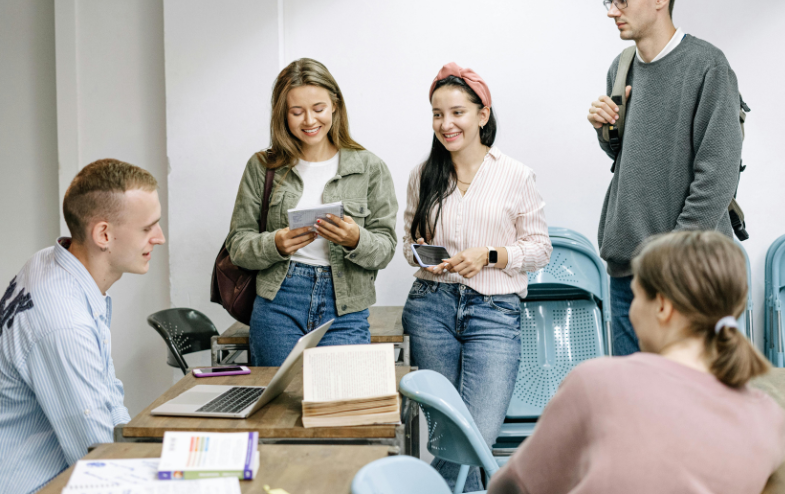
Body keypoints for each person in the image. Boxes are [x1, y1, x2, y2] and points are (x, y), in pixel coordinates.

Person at [487, 231, 785, 494]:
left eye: (635, 297)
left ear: (663, 306)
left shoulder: (597, 383)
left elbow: (515, 487)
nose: (631, 312)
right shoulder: (770, 418)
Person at [0, 159, 165, 494]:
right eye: (147, 228)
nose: (160, 238)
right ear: (104, 234)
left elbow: (106, 400)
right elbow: (100, 462)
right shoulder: (63, 323)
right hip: (23, 486)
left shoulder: (49, 261)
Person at [586, 0, 743, 356]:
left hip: (687, 275)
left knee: (693, 407)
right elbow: (632, 159)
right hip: (627, 273)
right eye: (609, 0)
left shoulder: (708, 66)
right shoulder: (620, 68)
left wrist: (669, 260)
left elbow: (717, 177)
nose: (612, 10)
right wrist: (607, 132)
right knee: (632, 407)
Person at [402, 62, 552, 492]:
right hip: (430, 308)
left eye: (457, 112)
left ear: (482, 115)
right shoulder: (423, 175)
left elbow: (540, 249)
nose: (445, 124)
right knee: (447, 434)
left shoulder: (516, 175)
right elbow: (407, 244)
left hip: (495, 312)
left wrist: (490, 255)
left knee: (474, 436)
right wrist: (423, 257)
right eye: (436, 114)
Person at [226, 57, 398, 366]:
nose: (309, 120)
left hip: (345, 305)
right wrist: (275, 243)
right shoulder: (262, 167)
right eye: (296, 111)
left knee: (338, 406)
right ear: (282, 114)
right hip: (279, 301)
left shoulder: (370, 168)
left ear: (335, 105)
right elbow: (238, 246)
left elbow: (385, 249)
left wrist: (356, 239)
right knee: (276, 408)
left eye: (318, 108)